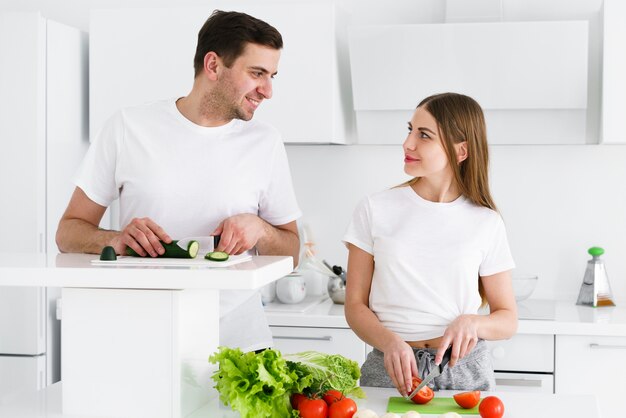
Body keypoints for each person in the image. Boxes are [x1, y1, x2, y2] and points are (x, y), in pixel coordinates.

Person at [56, 10, 301, 353]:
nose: (268, 90)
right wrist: (116, 240)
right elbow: (68, 232)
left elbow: (293, 251)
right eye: (257, 73)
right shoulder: (128, 127)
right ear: (213, 65)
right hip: (145, 337)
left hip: (240, 344)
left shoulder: (265, 142)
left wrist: (261, 229)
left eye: (272, 75)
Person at [343, 93, 517, 396]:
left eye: (424, 135)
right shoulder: (375, 209)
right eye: (409, 130)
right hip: (392, 367)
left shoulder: (486, 221)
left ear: (460, 150)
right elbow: (355, 306)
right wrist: (388, 342)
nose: (408, 143)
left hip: (464, 371)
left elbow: (507, 319)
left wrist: (472, 323)